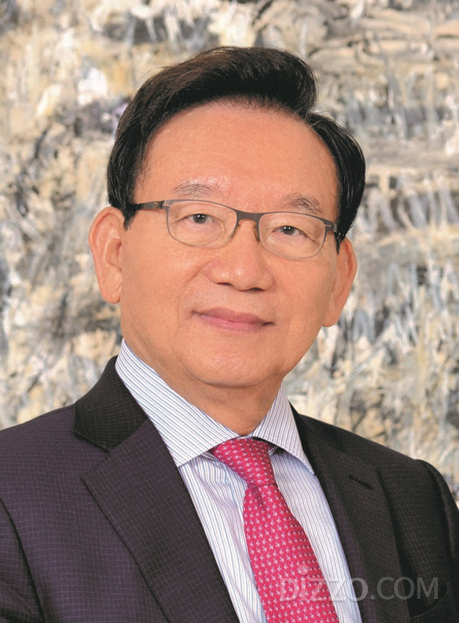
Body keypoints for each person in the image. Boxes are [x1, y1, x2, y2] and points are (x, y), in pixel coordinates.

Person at [0, 46, 457, 623]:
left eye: (290, 228)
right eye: (199, 217)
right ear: (113, 254)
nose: (243, 271)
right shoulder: (12, 498)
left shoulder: (412, 498)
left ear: (339, 281)